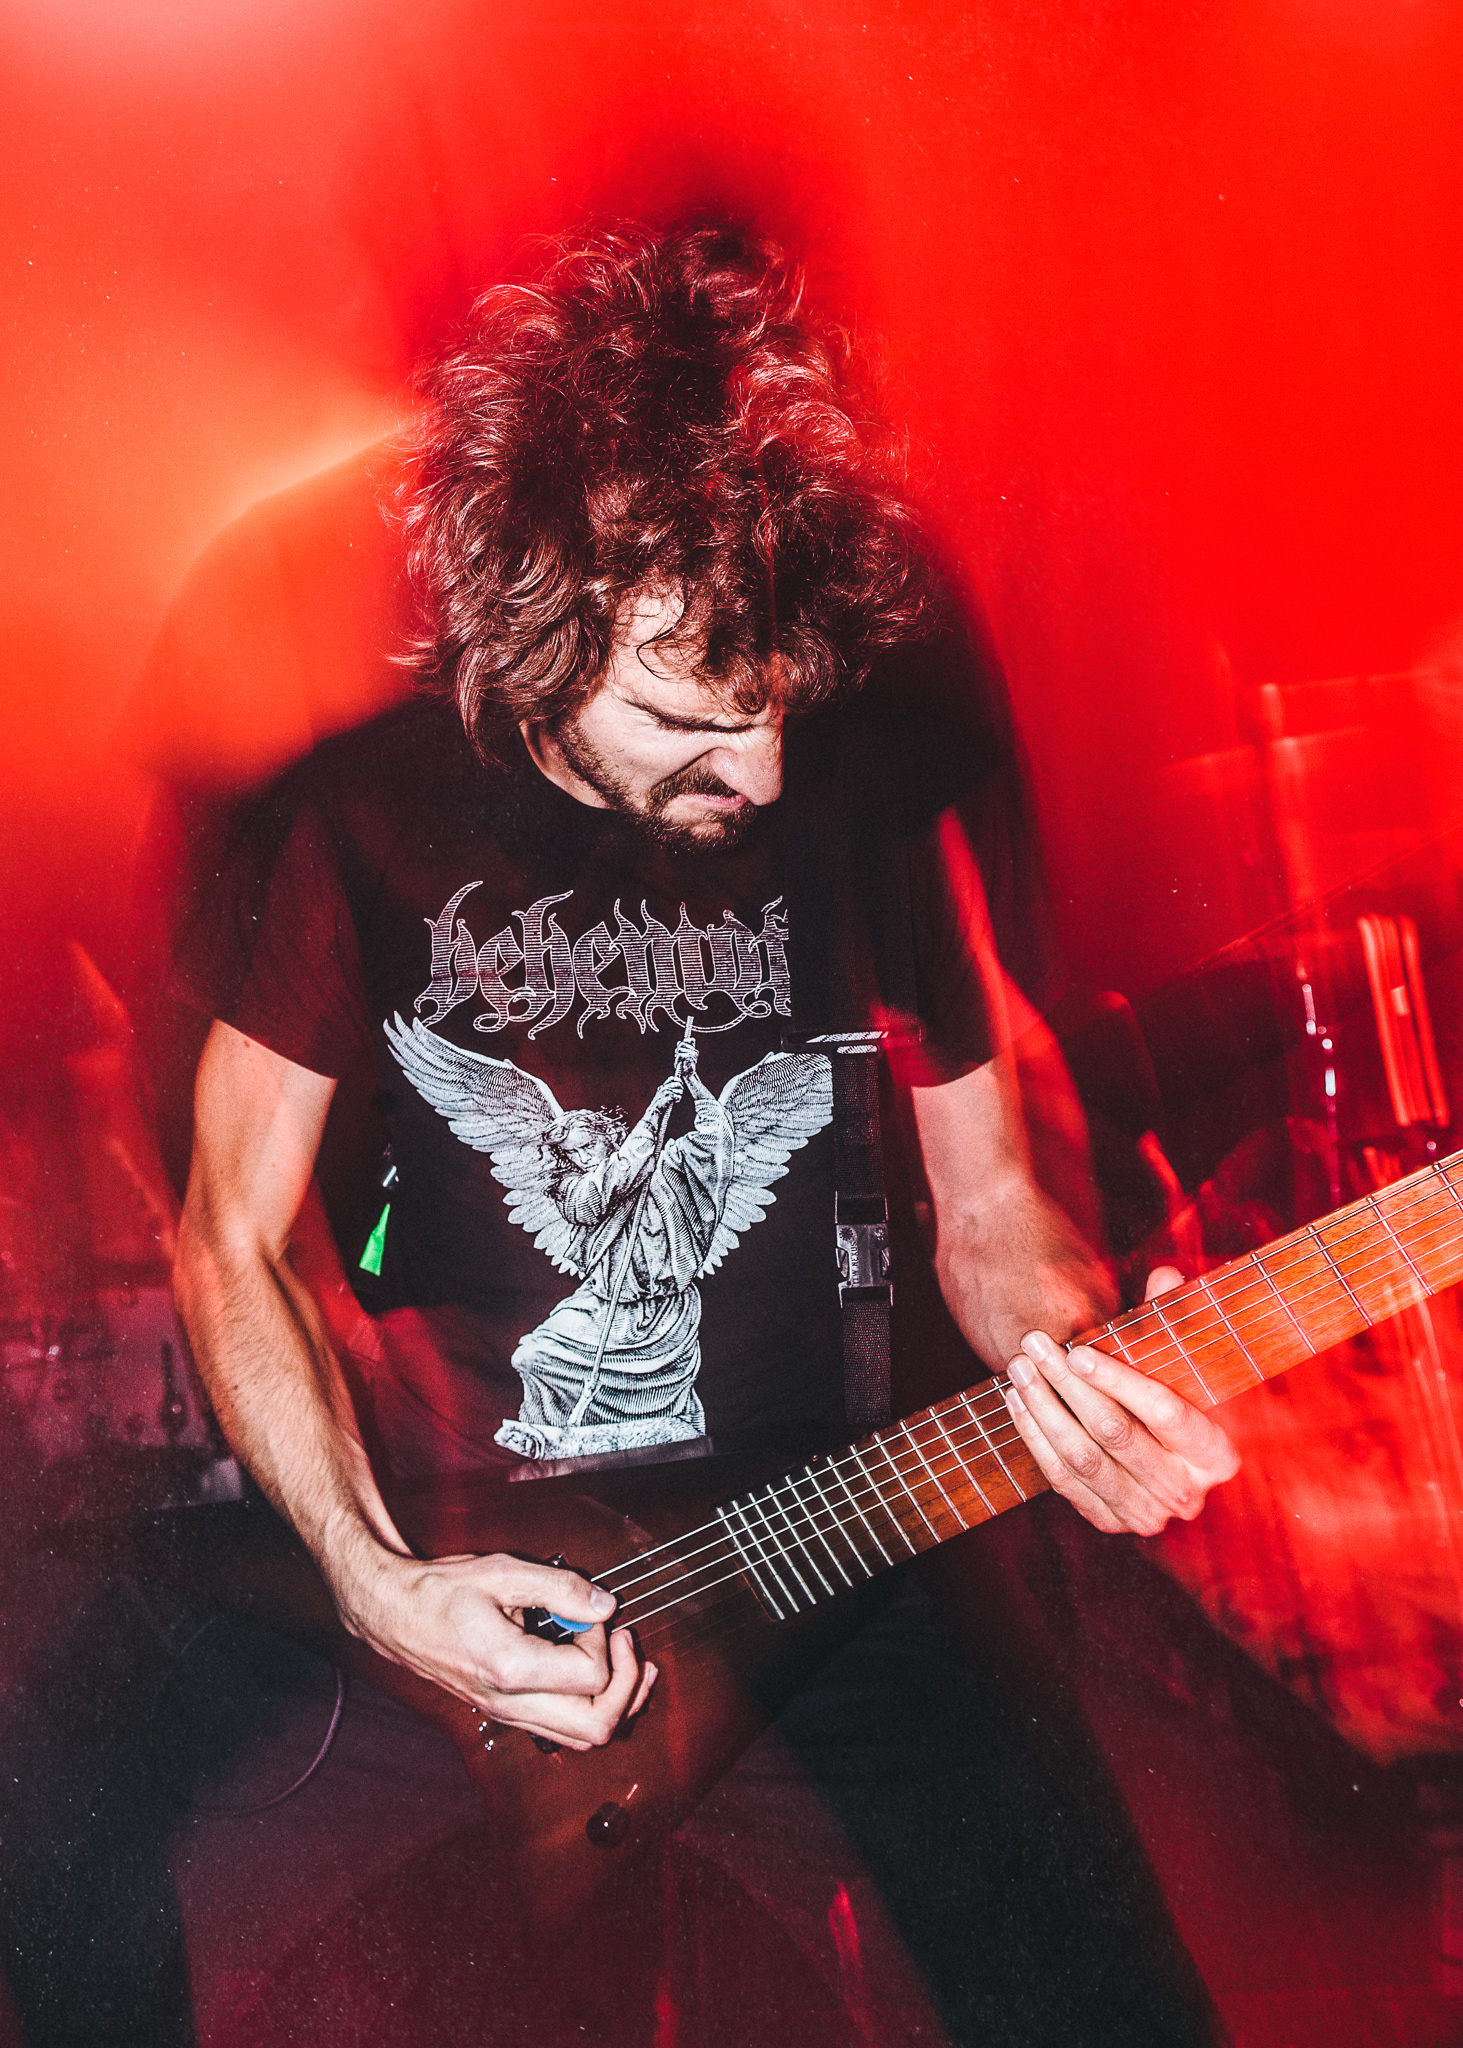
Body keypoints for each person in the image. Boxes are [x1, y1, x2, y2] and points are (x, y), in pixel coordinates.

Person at [53, 220, 1241, 2044]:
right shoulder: (362, 819)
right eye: (689, 720)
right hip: (471, 1541)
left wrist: (1083, 1374)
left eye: (776, 711)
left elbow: (995, 1214)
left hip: (830, 1534)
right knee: (50, 1796)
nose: (757, 772)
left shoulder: (859, 792)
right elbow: (229, 1233)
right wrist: (375, 1581)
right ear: (540, 644)